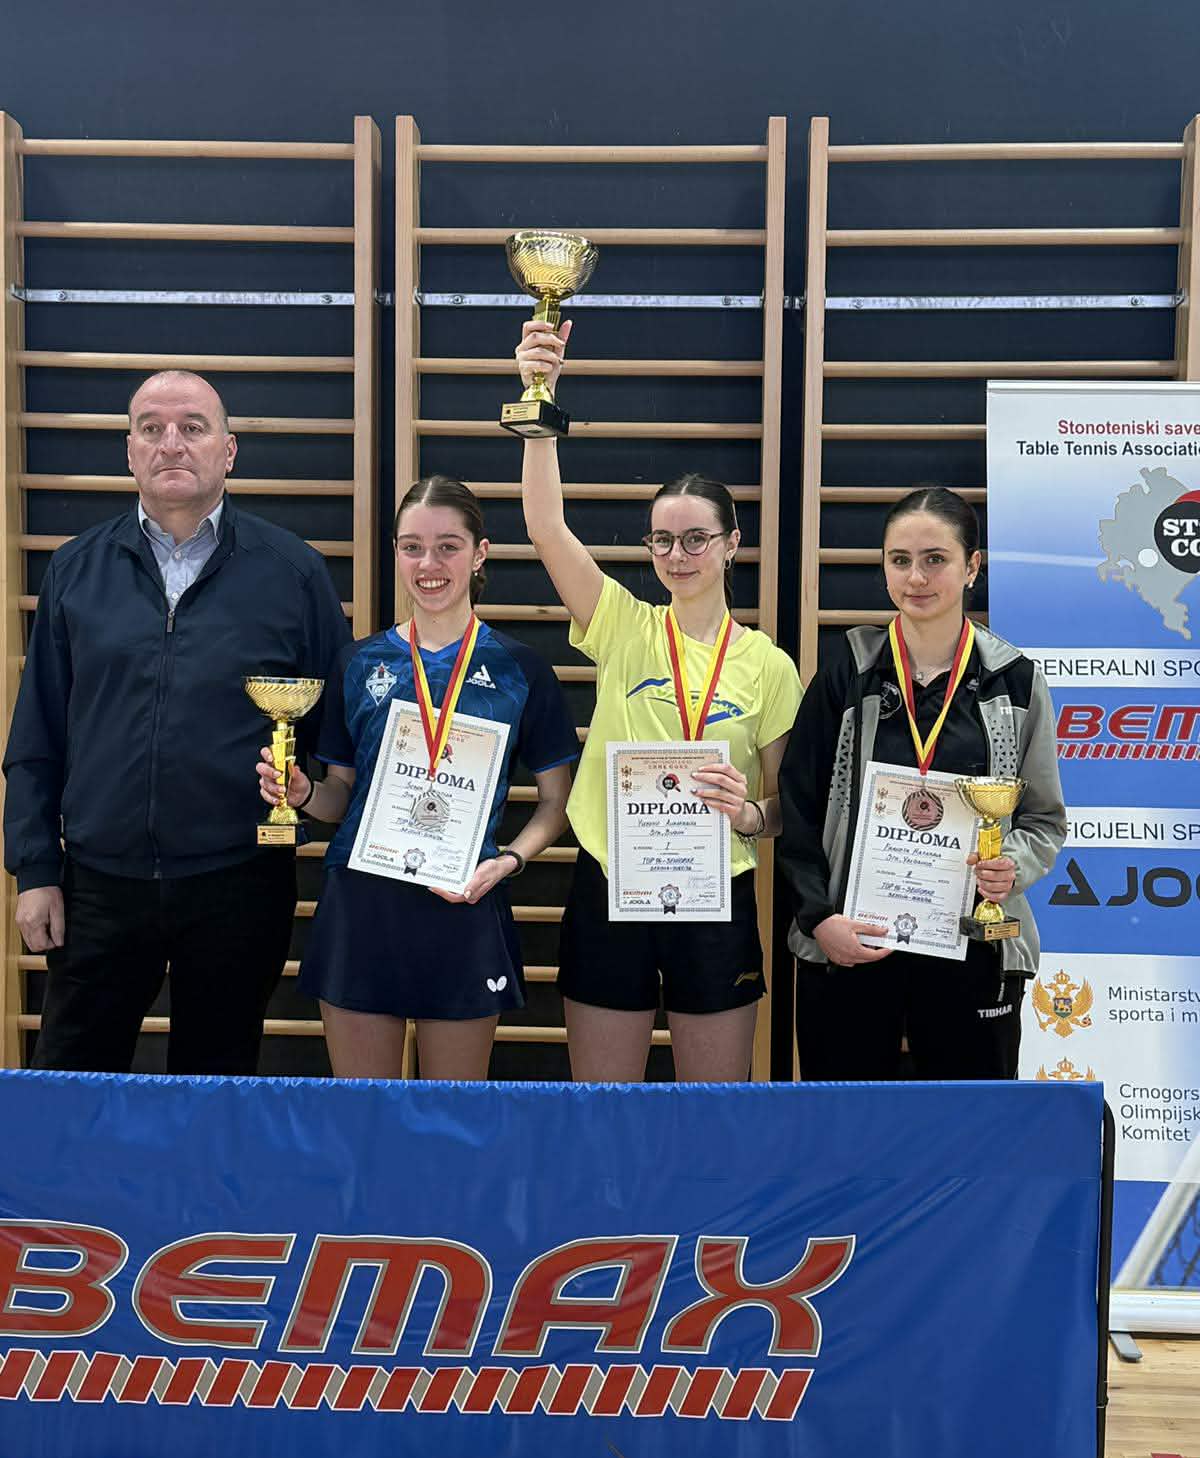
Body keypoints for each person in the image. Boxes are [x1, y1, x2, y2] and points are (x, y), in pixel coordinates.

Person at [3, 369, 351, 1074]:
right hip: (97, 884)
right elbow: (37, 737)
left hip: (239, 881)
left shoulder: (294, 572)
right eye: (151, 428)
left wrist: (312, 795)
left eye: (193, 427)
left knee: (216, 1087)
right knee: (72, 1088)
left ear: (228, 450)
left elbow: (336, 734)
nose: (172, 443)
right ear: (130, 450)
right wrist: (34, 869)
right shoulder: (75, 570)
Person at [515, 319, 802, 1083]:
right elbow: (545, 527)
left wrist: (749, 815)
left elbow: (787, 808)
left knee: (716, 1113)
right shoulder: (623, 626)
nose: (678, 555)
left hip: (715, 893)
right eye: (662, 541)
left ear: (733, 543)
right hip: (612, 885)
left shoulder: (768, 666)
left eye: (696, 538)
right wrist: (539, 398)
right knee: (604, 1111)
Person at [260, 475, 576, 1080]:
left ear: (480, 554)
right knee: (364, 1116)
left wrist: (508, 862)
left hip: (463, 899)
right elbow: (340, 797)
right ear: (397, 553)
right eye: (412, 547)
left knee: (451, 1118)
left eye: (448, 547)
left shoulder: (521, 668)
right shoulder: (357, 663)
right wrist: (302, 793)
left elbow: (556, 802)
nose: (429, 564)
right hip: (363, 904)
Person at [778, 486, 1067, 1080]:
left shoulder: (1013, 679)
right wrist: (819, 919)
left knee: (969, 1125)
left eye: (935, 559)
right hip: (852, 941)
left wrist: (1009, 865)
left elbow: (1042, 819)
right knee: (849, 1123)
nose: (916, 577)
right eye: (900, 559)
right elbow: (799, 805)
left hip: (973, 944)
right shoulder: (847, 669)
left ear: (972, 567)